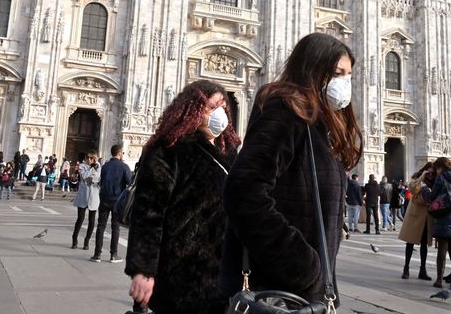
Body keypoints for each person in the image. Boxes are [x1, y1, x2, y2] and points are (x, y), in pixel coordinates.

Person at [221, 33, 363, 307]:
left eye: (348, 75)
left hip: (306, 292)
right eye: (337, 73)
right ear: (313, 70)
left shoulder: (318, 125)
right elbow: (244, 191)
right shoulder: (285, 111)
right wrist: (304, 267)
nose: (345, 82)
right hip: (279, 290)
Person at [125, 79, 240, 313]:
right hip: (180, 271)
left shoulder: (229, 155)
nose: (220, 114)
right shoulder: (168, 151)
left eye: (223, 108)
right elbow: (149, 214)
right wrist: (143, 270)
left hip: (222, 273)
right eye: (212, 107)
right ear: (193, 110)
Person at [425, 157, 451, 290]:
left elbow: (432, 197)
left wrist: (425, 190)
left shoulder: (441, 177)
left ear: (439, 167)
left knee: (442, 248)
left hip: (444, 214)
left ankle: (439, 280)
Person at [91, 144, 132, 263]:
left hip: (104, 199)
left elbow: (101, 181)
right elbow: (130, 183)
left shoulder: (105, 166)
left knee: (100, 226)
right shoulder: (124, 167)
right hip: (117, 201)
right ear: (120, 153)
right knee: (115, 228)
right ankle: (113, 255)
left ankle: (97, 254)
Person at [398, 163, 434, 281]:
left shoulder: (434, 182)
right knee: (410, 243)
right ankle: (406, 268)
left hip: (427, 217)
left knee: (424, 245)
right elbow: (412, 189)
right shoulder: (417, 178)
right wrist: (422, 177)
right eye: (428, 172)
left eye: (432, 173)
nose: (430, 174)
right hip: (415, 216)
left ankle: (422, 270)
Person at [71, 150, 101, 250]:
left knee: (92, 221)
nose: (89, 159)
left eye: (91, 158)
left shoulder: (99, 167)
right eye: (88, 157)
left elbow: (98, 179)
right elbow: (84, 176)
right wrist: (92, 170)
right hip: (83, 195)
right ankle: (74, 239)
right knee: (80, 219)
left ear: (95, 159)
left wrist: (92, 175)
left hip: (94, 195)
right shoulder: (82, 166)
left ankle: (86, 241)